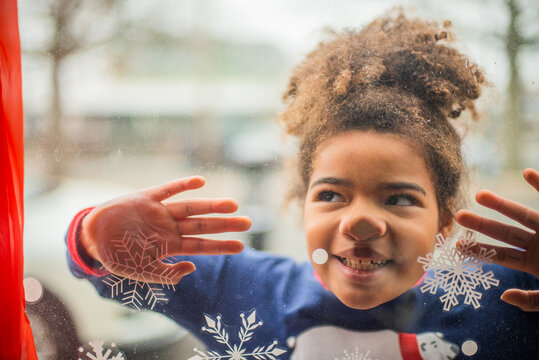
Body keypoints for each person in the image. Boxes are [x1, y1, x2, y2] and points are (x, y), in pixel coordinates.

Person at [66, 11, 539, 359]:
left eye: (398, 198)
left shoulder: (511, 299)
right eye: (332, 195)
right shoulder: (247, 292)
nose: (359, 221)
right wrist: (93, 238)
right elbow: (110, 273)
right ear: (302, 205)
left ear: (444, 224)